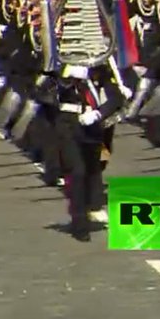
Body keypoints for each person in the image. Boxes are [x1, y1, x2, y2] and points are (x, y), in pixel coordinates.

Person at [52, 62, 125, 242]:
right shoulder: (61, 67)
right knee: (77, 171)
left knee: (97, 167)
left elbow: (115, 97)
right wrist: (66, 74)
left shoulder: (100, 70)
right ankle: (79, 223)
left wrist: (99, 113)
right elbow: (44, 88)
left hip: (94, 128)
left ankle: (94, 204)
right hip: (68, 125)